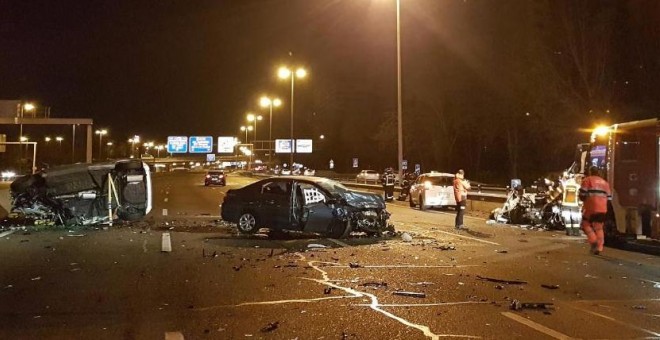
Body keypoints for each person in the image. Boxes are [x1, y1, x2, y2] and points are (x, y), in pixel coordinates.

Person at [578, 166, 612, 255]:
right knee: (599, 227)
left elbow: (582, 194)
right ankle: (600, 247)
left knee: (585, 223)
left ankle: (593, 242)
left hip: (591, 207)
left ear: (590, 172)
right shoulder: (605, 183)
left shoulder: (587, 180)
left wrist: (583, 199)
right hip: (602, 209)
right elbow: (609, 198)